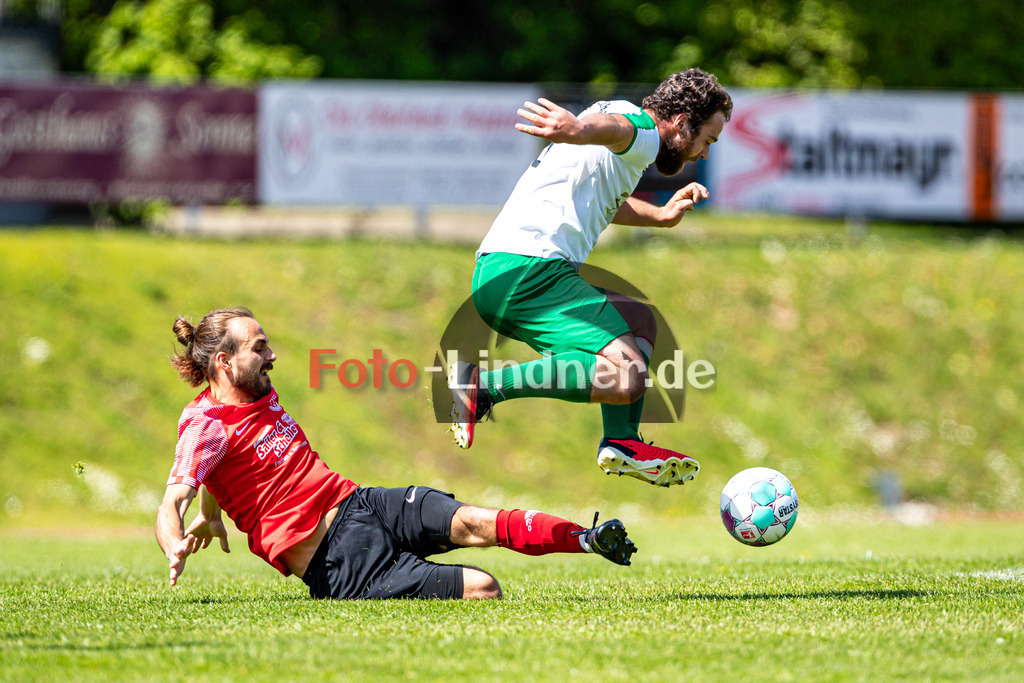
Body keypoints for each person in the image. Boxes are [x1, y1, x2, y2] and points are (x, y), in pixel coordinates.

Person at [156, 307, 637, 601]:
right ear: (224, 362)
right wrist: (175, 540)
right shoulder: (204, 426)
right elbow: (169, 502)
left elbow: (214, 474)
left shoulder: (257, 392)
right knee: (484, 588)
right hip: (340, 560)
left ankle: (589, 539)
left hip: (362, 504)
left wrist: (212, 515)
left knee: (475, 521)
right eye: (260, 348)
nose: (273, 355)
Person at [448, 68, 732, 488]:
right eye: (707, 139)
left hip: (509, 272)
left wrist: (659, 215)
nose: (704, 153)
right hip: (529, 271)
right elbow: (622, 130)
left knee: (639, 321)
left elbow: (606, 199)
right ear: (681, 122)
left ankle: (622, 442)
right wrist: (579, 128)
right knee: (627, 377)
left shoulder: (621, 141)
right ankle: (482, 387)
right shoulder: (642, 130)